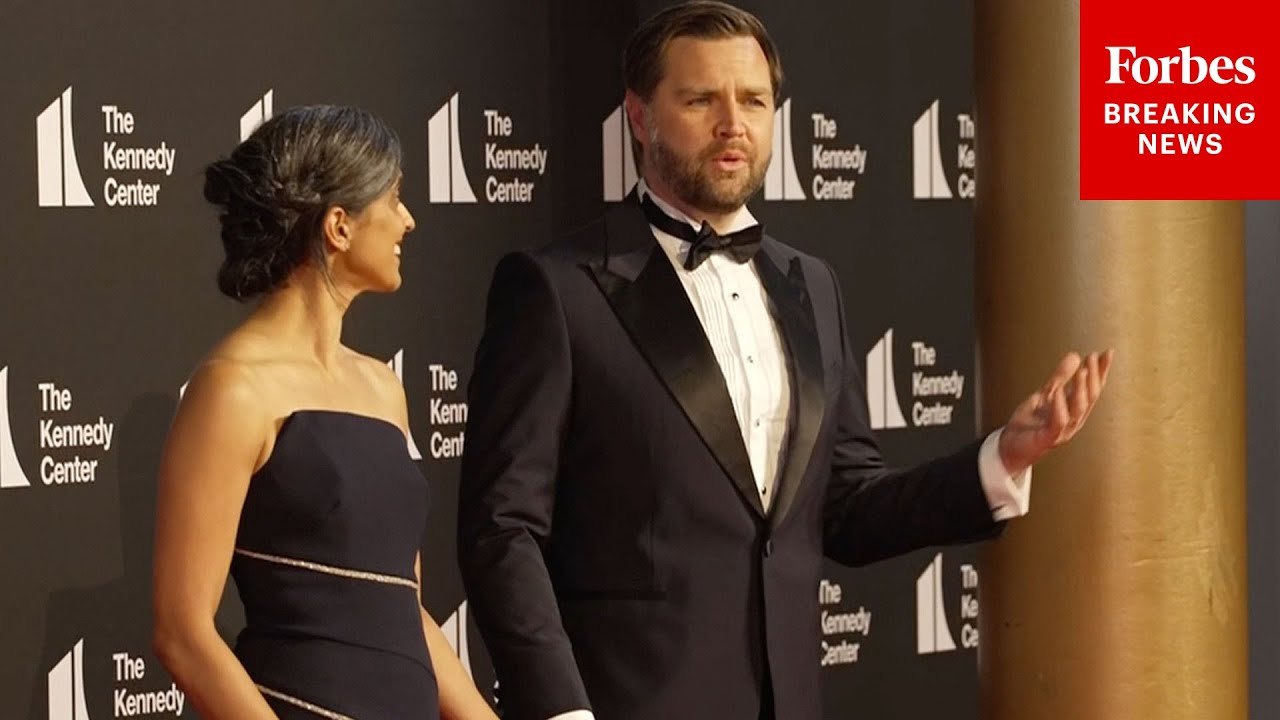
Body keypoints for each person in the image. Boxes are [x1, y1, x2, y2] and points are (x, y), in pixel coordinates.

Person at [457, 3, 1112, 720]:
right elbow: (502, 527)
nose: (732, 122)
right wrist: (561, 710)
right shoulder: (557, 289)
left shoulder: (813, 285)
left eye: (754, 100)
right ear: (640, 117)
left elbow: (848, 509)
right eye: (701, 98)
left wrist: (1001, 458)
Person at [151, 105, 496, 720]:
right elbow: (183, 633)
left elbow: (402, 605)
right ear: (339, 225)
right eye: (393, 200)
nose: (408, 221)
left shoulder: (384, 388)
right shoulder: (232, 389)